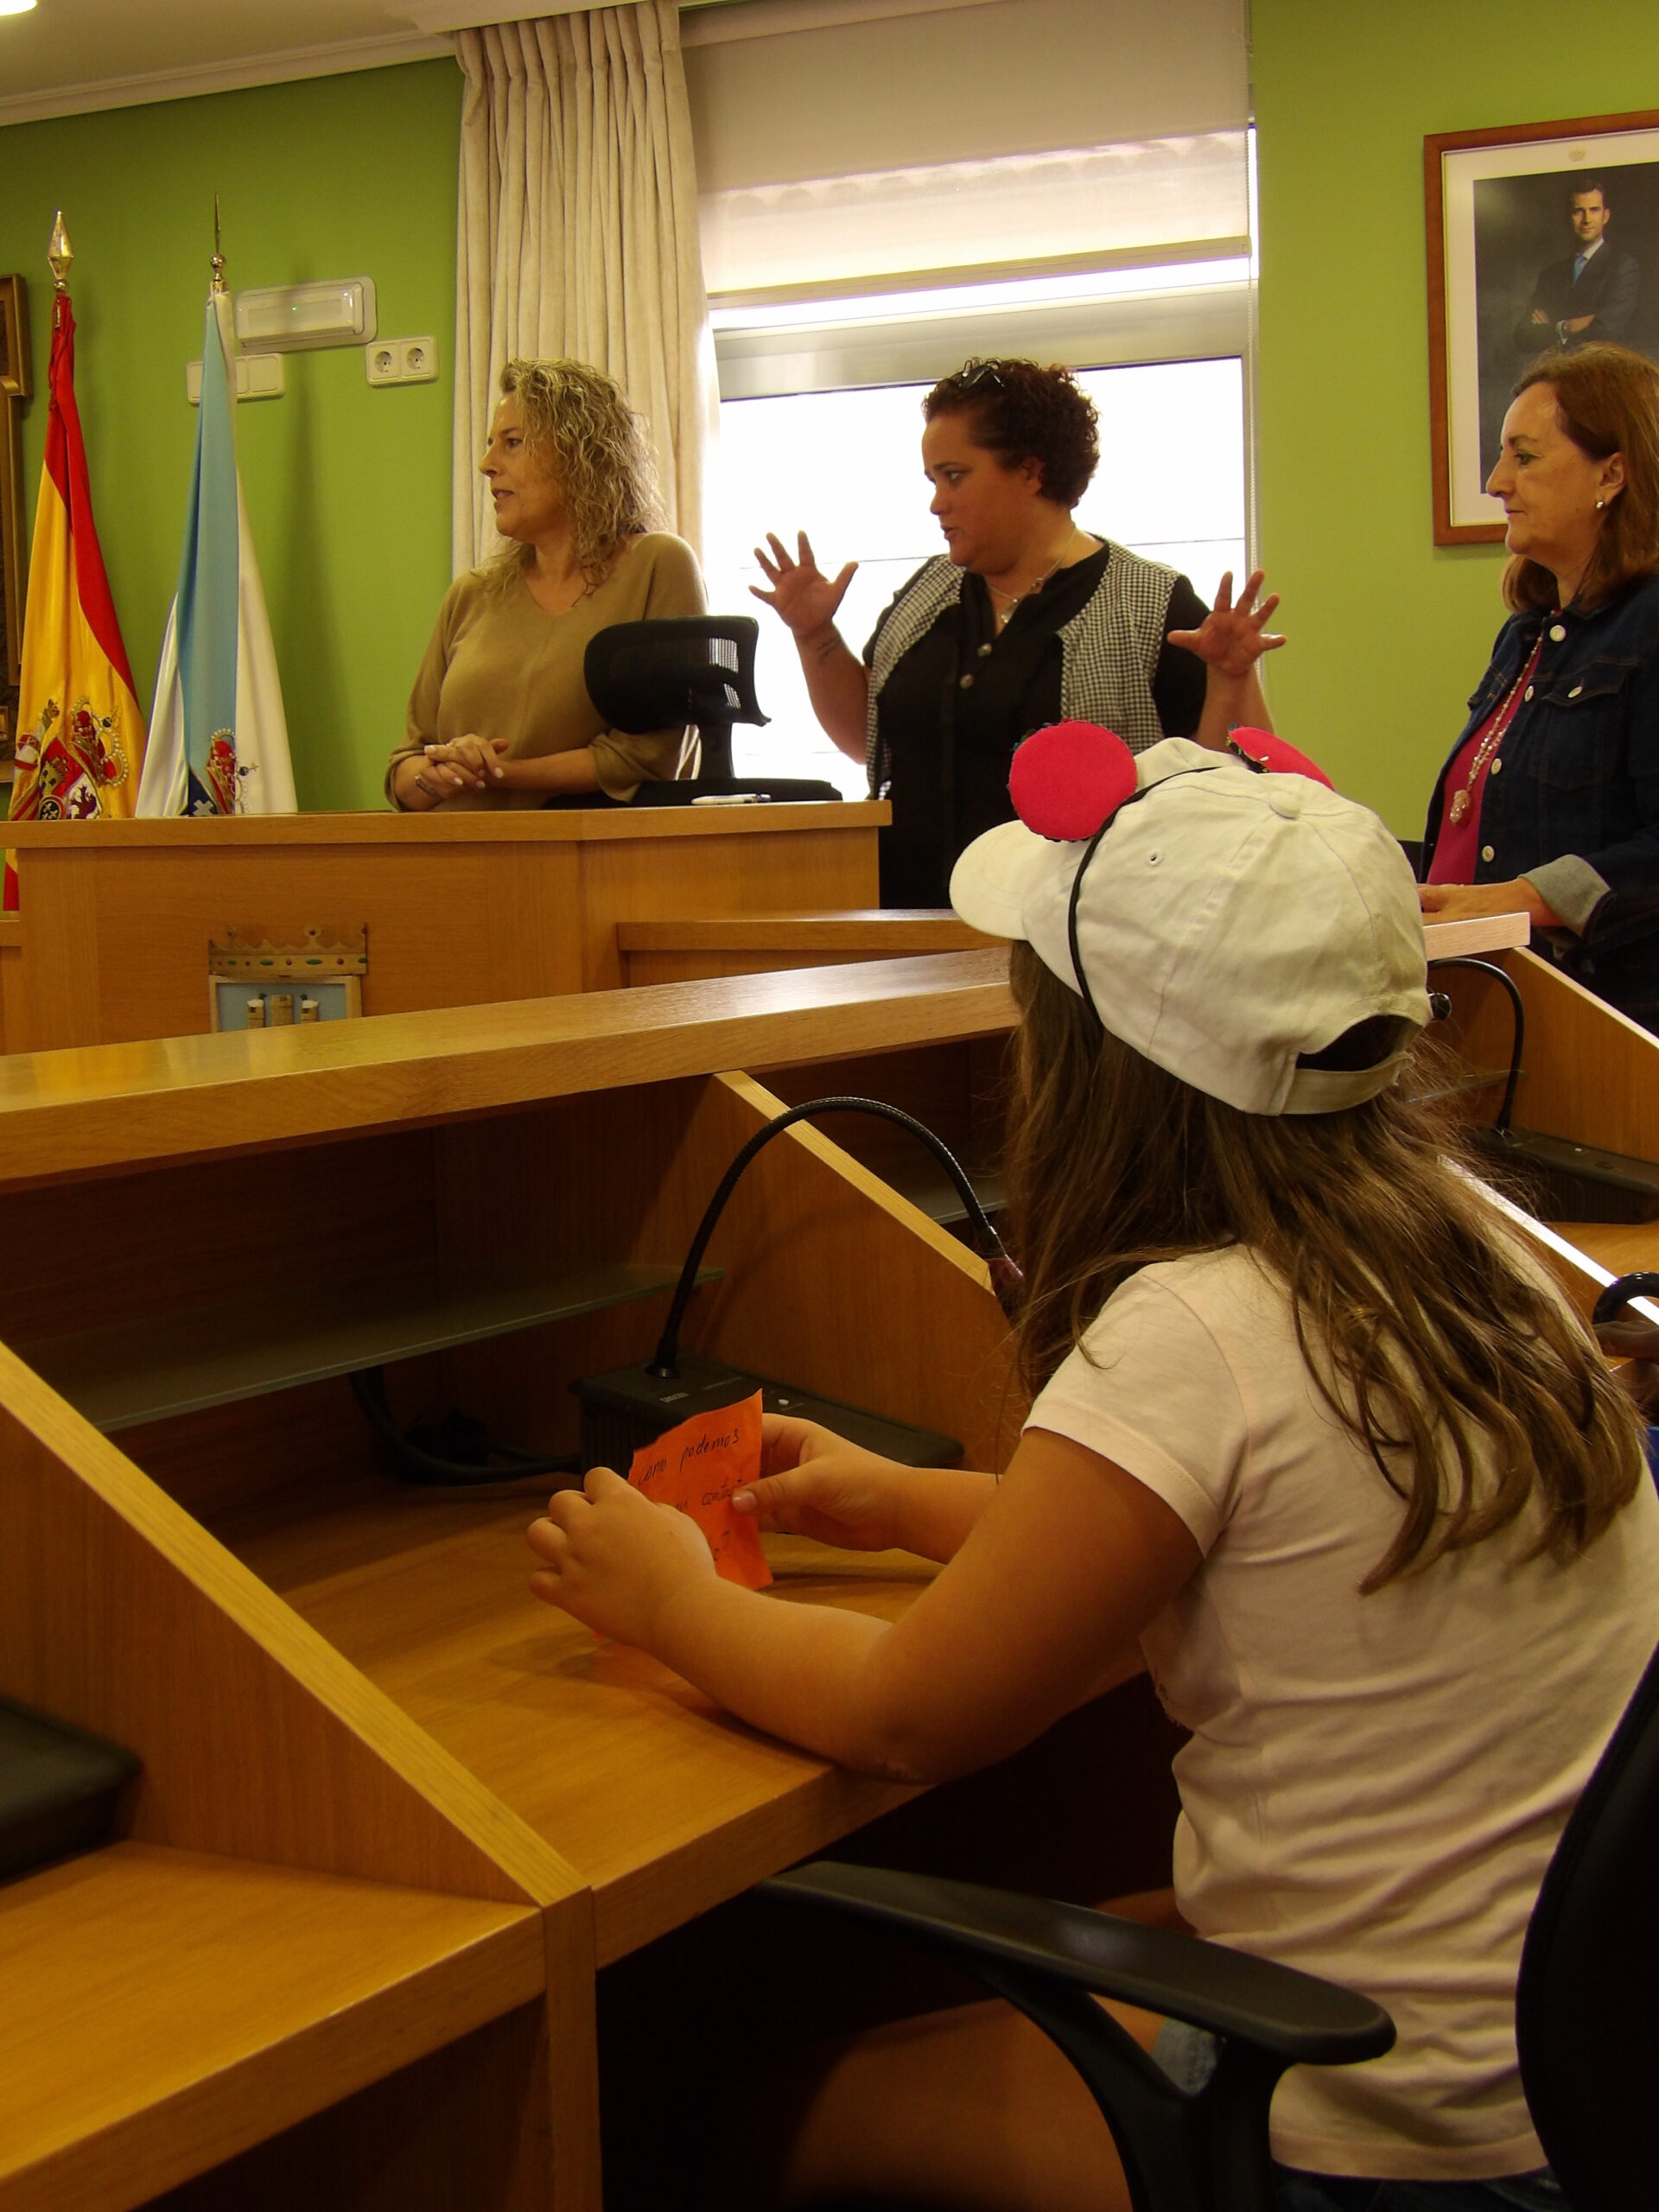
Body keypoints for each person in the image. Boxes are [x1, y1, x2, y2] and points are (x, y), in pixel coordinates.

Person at [526, 723, 1659, 2212]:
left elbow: (905, 1714)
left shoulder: (1198, 1326)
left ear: (1092, 1067)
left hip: (1387, 2139)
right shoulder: (1474, 1264)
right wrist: (897, 1501)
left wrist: (669, 1599)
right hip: (1576, 2082)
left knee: (752, 2113)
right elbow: (1231, 1533)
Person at [751, 357, 1283, 904]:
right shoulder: (925, 595)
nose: (936, 503)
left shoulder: (1148, 604)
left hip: (1076, 937)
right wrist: (815, 635)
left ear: (1031, 472)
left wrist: (1232, 677)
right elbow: (866, 740)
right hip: (910, 928)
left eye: (954, 476)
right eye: (933, 480)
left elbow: (1231, 788)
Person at [1420, 343, 1659, 1033]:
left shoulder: (1649, 624)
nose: (1497, 482)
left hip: (1607, 1028)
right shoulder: (1524, 636)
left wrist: (1526, 897)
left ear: (1612, 474)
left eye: (1524, 458)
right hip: (1490, 1007)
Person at [387, 358, 705, 810]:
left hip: (587, 852)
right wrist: (441, 774)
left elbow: (648, 757)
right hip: (454, 850)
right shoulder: (470, 594)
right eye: (490, 444)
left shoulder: (658, 564)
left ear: (580, 454)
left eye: (512, 443)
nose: (486, 464)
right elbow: (406, 766)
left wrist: (497, 773)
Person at [1513, 181, 1638, 357]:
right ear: (1568, 217)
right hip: (1557, 371)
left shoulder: (1622, 267)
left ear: (1606, 216)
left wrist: (1551, 327)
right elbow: (1523, 337)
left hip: (1601, 370)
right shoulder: (1551, 275)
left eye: (1594, 210)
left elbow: (1607, 332)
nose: (1586, 219)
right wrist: (1566, 327)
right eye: (1578, 211)